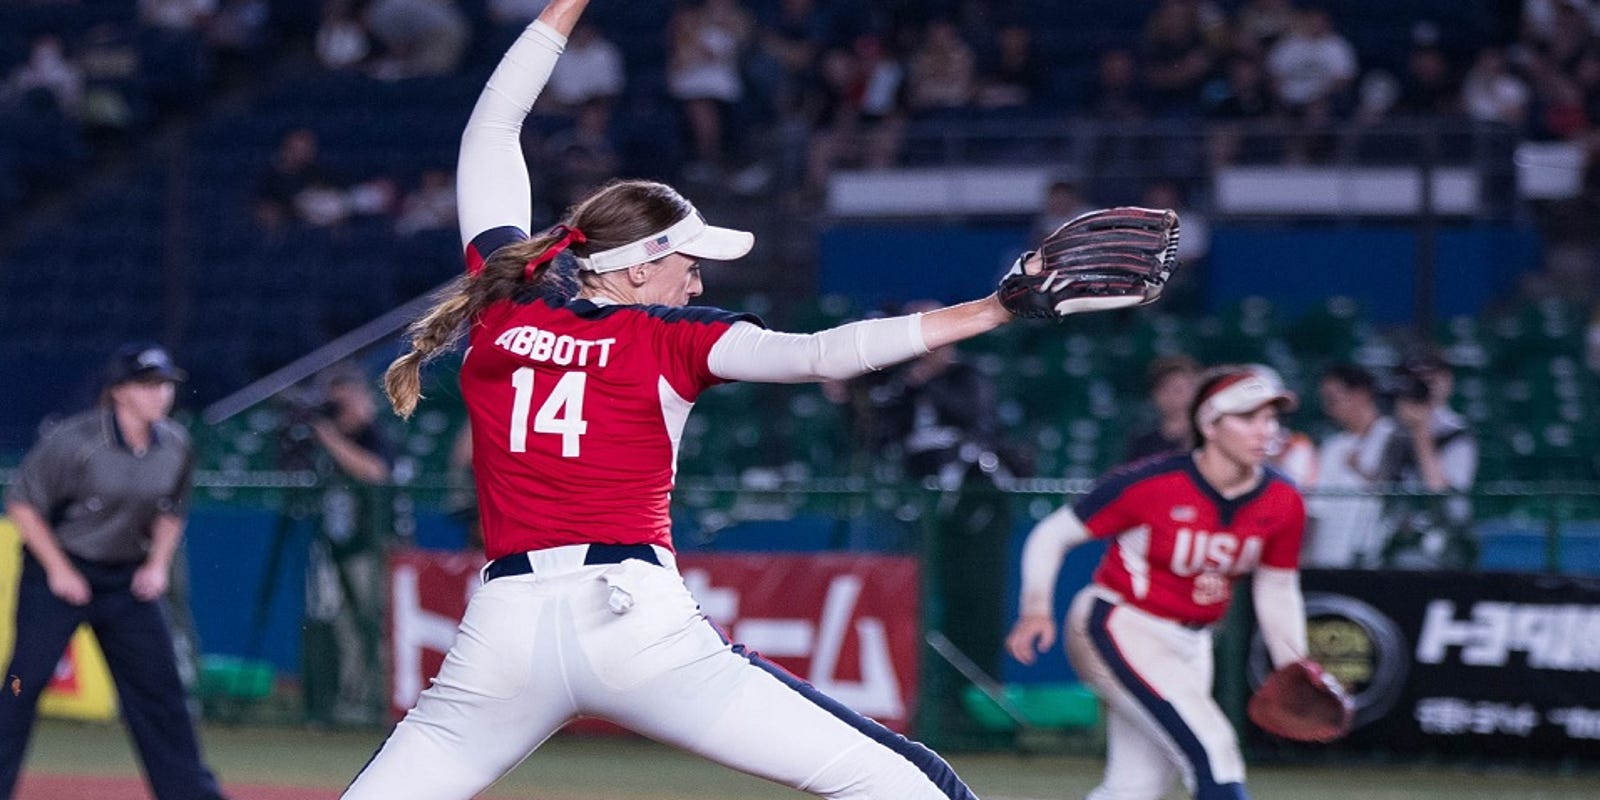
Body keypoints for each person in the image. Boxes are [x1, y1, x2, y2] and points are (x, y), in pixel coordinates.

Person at [342, 1, 1073, 796]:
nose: (698, 279)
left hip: (504, 630)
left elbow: (489, 131)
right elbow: (820, 354)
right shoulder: (670, 338)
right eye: (687, 261)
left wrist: (563, 7)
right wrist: (994, 309)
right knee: (911, 785)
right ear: (631, 269)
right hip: (635, 625)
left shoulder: (505, 303)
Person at [1006, 365, 1312, 800]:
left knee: (1136, 788)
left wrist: (1292, 663)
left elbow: (1277, 588)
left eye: (1271, 418)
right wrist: (1036, 607)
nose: (1265, 430)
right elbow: (1052, 534)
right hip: (1120, 622)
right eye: (1248, 418)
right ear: (1209, 423)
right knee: (1214, 748)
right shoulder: (1153, 483)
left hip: (1194, 642)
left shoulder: (1283, 499)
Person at [0, 343, 231, 800]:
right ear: (120, 392)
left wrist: (156, 565)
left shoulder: (175, 444)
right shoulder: (76, 440)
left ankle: (190, 794)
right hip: (57, 573)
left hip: (125, 579)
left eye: (164, 385)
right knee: (21, 686)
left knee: (161, 692)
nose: (160, 395)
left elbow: (172, 510)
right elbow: (22, 505)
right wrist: (61, 570)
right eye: (147, 386)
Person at [290, 363, 395, 726]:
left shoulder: (372, 435)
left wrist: (330, 437)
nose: (337, 414)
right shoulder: (327, 442)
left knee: (375, 627)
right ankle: (350, 705)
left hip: (374, 549)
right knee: (344, 630)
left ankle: (381, 704)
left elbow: (375, 472)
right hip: (338, 547)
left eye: (343, 405)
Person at [1382, 351, 1478, 568]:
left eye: (1430, 379)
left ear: (1447, 381)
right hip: (1403, 537)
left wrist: (1420, 430)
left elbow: (1441, 490)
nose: (1423, 387)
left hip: (1446, 539)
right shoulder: (1393, 432)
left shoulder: (1456, 431)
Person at [1305, 363, 1403, 567]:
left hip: (1377, 562)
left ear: (1361, 395)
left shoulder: (1395, 437)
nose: (1328, 409)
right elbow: (1316, 510)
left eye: (1333, 400)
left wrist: (1360, 471)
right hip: (1328, 559)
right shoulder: (1332, 447)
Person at [1123, 354, 1202, 464]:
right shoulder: (1143, 444)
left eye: (1187, 388)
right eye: (1173, 389)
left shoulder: (1211, 439)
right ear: (1156, 395)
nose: (1182, 396)